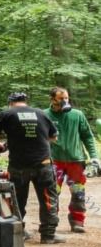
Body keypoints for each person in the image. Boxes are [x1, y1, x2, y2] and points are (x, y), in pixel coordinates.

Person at [0, 91, 62, 244]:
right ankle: (48, 235)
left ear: (10, 102)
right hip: (43, 164)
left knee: (17, 200)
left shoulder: (7, 114)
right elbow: (54, 137)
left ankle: (18, 233)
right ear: (26, 101)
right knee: (48, 200)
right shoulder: (40, 113)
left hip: (19, 166)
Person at [45, 87, 97, 234]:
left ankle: (77, 221)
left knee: (78, 193)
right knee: (52, 192)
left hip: (76, 160)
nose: (65, 101)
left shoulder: (77, 115)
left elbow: (87, 136)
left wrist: (94, 156)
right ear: (53, 99)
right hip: (54, 161)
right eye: (61, 98)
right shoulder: (44, 115)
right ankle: (50, 223)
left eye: (66, 98)